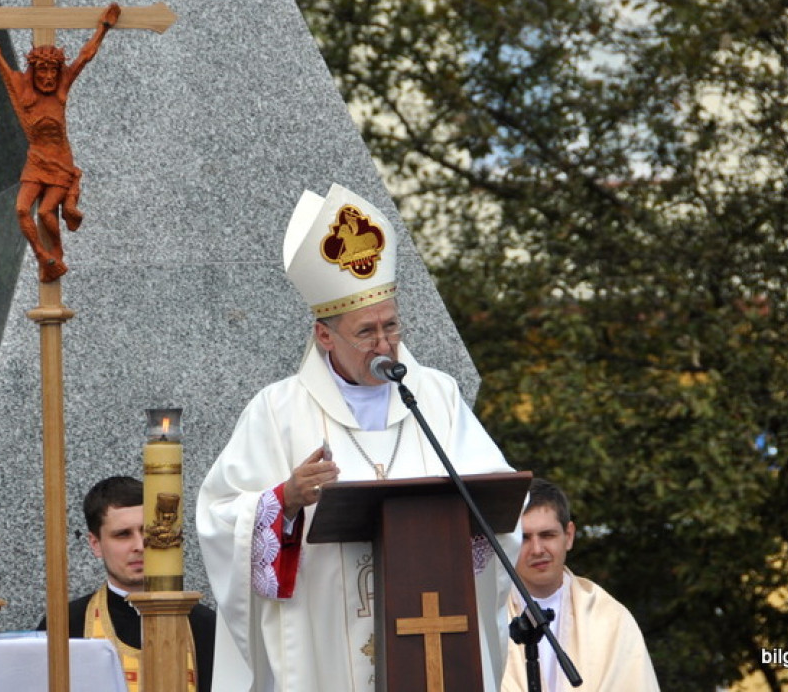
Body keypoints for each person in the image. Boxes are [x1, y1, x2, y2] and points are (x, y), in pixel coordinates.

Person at [197, 183, 520, 692]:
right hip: (324, 632)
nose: (385, 344)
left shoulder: (434, 395)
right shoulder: (277, 411)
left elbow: (496, 504)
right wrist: (286, 498)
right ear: (325, 336)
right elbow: (219, 518)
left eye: (391, 326)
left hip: (432, 613)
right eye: (366, 332)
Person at [0, 0, 120, 282]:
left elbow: (84, 57)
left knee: (47, 213)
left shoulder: (60, 90)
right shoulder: (22, 90)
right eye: (42, 70)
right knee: (22, 209)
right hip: (36, 160)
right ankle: (42, 256)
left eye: (53, 71)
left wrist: (104, 28)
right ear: (33, 71)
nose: (48, 76)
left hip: (59, 162)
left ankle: (56, 252)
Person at [37, 476, 215, 692]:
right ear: (96, 544)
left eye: (147, 531)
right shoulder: (65, 625)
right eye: (123, 535)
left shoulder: (203, 625)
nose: (140, 545)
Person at [501, 479, 660, 692]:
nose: (537, 549)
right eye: (524, 538)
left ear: (569, 536)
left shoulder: (610, 618)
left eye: (547, 535)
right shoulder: (490, 617)